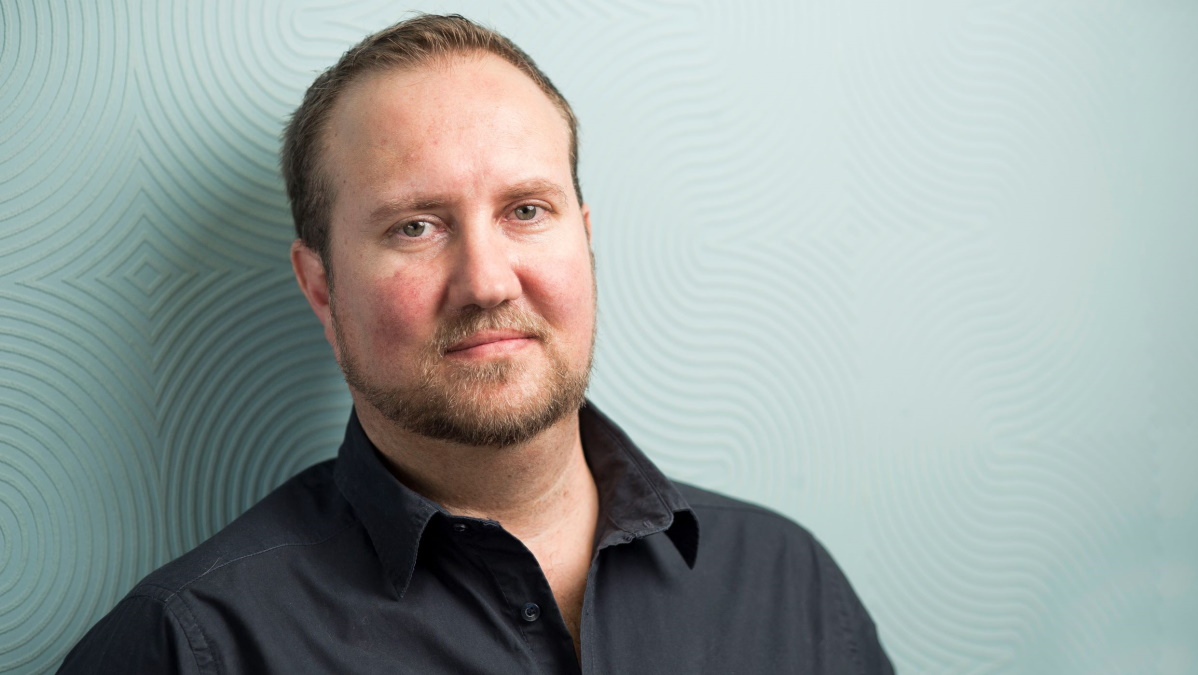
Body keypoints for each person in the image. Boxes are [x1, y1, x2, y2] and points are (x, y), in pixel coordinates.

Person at [60, 14, 892, 674]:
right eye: (416, 226)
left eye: (526, 210)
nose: (488, 282)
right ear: (322, 289)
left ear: (584, 240)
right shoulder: (194, 644)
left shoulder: (790, 583)